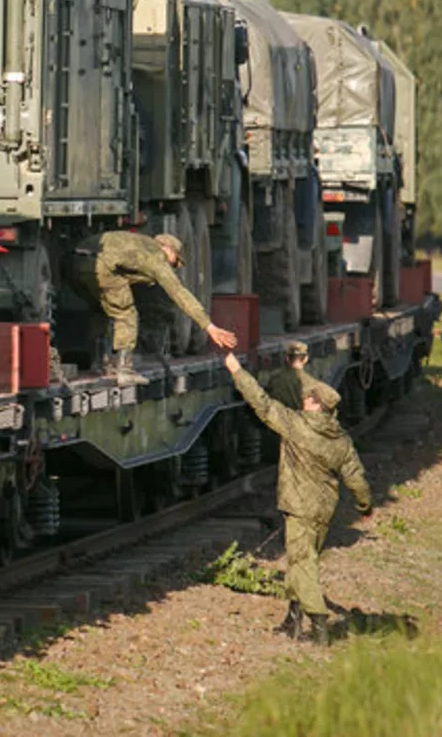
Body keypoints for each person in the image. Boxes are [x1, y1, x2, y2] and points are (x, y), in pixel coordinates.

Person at [224, 352, 372, 643]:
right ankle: (292, 621)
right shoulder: (341, 438)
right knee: (300, 560)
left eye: (308, 397)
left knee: (302, 564)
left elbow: (262, 403)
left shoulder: (296, 426)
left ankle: (319, 626)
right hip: (324, 509)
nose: (303, 399)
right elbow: (356, 478)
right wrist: (364, 504)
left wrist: (236, 370)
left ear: (315, 404)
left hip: (300, 507)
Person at [68, 231, 238, 387]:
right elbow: (179, 293)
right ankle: (123, 369)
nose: (174, 265)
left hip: (73, 263)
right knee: (126, 313)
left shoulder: (138, 242)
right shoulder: (157, 257)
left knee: (102, 308)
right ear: (167, 249)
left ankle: (100, 361)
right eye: (175, 260)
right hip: (103, 266)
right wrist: (209, 326)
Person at [269, 341, 342, 412]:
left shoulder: (275, 379)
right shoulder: (308, 381)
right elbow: (334, 397)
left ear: (287, 358)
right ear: (305, 359)